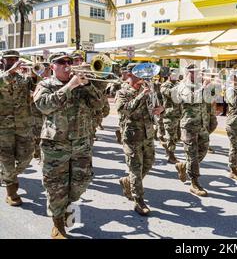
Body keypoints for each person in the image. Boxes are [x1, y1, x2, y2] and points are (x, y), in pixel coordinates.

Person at [34, 52, 103, 239]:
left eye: (69, 62)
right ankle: (57, 224)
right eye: (61, 62)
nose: (67, 65)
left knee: (81, 182)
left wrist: (87, 84)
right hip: (55, 144)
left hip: (81, 142)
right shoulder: (45, 85)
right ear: (52, 66)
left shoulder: (83, 85)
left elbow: (99, 105)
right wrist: (70, 86)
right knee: (56, 186)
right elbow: (43, 105)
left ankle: (66, 207)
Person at [115, 63, 163, 216]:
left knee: (148, 164)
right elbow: (125, 110)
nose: (143, 77)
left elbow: (158, 108)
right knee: (135, 169)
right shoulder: (122, 92)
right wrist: (142, 94)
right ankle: (139, 200)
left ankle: (128, 182)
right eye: (138, 74)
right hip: (131, 136)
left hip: (148, 134)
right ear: (129, 75)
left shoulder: (149, 89)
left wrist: (160, 109)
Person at [0, 50, 35, 207]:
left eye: (15, 59)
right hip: (3, 127)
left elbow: (36, 89)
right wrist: (10, 72)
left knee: (26, 158)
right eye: (10, 59)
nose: (13, 61)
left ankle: (7, 175)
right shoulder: (2, 76)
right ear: (3, 61)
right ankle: (11, 191)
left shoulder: (23, 78)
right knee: (7, 161)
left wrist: (36, 75)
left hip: (23, 125)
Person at [174, 64, 210, 197]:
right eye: (197, 72)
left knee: (204, 149)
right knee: (192, 155)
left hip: (201, 125)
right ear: (190, 72)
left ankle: (184, 166)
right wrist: (203, 87)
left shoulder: (199, 85)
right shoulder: (183, 86)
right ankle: (194, 183)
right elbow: (190, 99)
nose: (200, 74)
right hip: (189, 125)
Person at [160, 68, 181, 164]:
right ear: (169, 75)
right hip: (169, 115)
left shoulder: (178, 84)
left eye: (177, 74)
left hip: (179, 115)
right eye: (174, 74)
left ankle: (167, 147)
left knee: (177, 137)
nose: (176, 76)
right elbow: (171, 93)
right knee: (171, 137)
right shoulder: (165, 85)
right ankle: (171, 156)